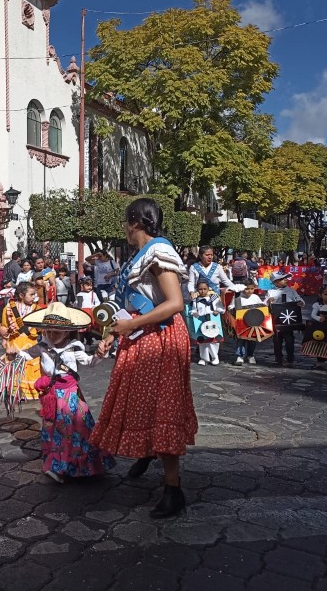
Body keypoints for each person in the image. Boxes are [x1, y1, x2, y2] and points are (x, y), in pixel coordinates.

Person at [90, 197, 197, 519]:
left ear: (134, 222)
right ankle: (149, 451)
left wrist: (131, 326)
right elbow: (133, 305)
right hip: (141, 336)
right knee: (140, 402)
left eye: (125, 222)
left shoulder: (159, 252)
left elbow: (175, 303)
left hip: (160, 337)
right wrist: (111, 334)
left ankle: (173, 490)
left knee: (161, 405)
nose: (124, 227)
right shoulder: (138, 256)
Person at [22, 302, 116, 483]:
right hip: (51, 394)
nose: (51, 334)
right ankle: (57, 464)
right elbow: (26, 354)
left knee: (73, 429)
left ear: (67, 331)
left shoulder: (74, 346)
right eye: (48, 330)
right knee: (53, 428)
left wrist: (99, 354)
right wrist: (13, 353)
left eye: (56, 331)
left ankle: (65, 466)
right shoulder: (42, 345)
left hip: (70, 396)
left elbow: (90, 362)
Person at [0, 282, 43, 400]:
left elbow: (40, 328)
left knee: (30, 367)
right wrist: (4, 340)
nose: (34, 297)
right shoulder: (9, 308)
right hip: (14, 342)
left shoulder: (36, 308)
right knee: (15, 365)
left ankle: (31, 392)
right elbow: (5, 325)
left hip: (31, 342)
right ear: (21, 295)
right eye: (31, 294)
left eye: (34, 294)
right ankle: (15, 390)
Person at [266, 271, 304, 367]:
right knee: (277, 340)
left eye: (286, 278)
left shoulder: (291, 291)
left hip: (289, 321)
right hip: (277, 321)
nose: (286, 280)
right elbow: (264, 304)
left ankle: (290, 356)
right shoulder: (271, 292)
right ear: (275, 282)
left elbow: (299, 299)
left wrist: (300, 302)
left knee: (290, 339)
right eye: (283, 279)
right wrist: (268, 301)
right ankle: (278, 357)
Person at [191, 279, 224, 366]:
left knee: (214, 341)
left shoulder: (214, 298)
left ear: (208, 289)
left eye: (205, 289)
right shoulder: (196, 301)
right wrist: (194, 313)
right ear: (197, 290)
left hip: (212, 321)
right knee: (203, 341)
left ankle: (215, 357)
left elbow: (221, 308)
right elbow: (192, 310)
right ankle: (204, 358)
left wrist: (217, 311)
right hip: (201, 322)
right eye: (200, 289)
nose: (202, 291)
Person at [231, 281, 263, 365]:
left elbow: (262, 306)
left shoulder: (255, 297)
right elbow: (231, 306)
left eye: (252, 289)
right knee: (241, 340)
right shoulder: (238, 298)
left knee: (252, 340)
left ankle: (250, 355)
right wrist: (233, 309)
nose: (249, 291)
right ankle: (240, 356)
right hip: (242, 322)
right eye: (247, 289)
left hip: (254, 322)